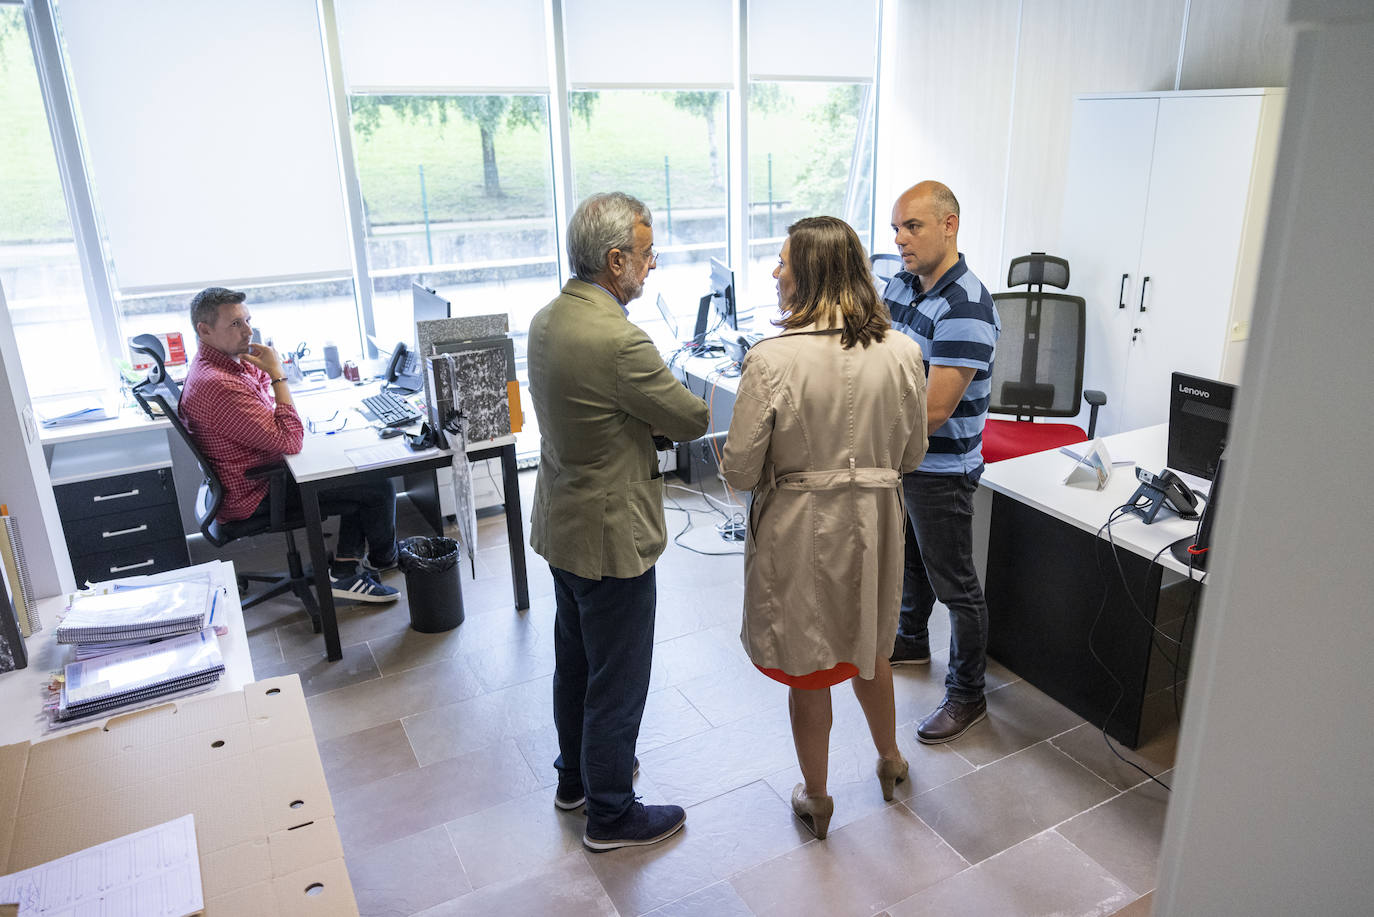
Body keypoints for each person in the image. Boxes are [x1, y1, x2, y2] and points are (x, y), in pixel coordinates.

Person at [720, 216, 928, 839]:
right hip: (878, 523)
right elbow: (912, 454)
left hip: (801, 527)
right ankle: (890, 760)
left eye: (783, 262)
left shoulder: (772, 359)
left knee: (810, 665)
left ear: (809, 274)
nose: (774, 272)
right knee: (870, 644)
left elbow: (737, 467)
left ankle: (817, 798)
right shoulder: (903, 351)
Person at [528, 192, 709, 852]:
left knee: (575, 663)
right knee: (618, 679)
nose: (652, 266)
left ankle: (573, 780)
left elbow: (598, 409)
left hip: (562, 524)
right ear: (614, 259)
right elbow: (690, 417)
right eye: (646, 253)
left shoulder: (549, 318)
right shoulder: (620, 339)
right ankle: (610, 812)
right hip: (610, 540)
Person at [179, 287, 399, 603]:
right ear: (204, 329)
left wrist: (270, 372)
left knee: (357, 477)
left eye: (248, 320)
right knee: (376, 486)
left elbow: (257, 385)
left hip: (252, 477)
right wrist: (280, 376)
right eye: (236, 324)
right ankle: (382, 560)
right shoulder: (216, 384)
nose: (248, 330)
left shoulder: (221, 363)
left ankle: (347, 566)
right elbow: (289, 439)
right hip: (257, 493)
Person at [884, 181, 1001, 744]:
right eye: (897, 228)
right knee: (911, 559)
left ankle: (967, 695)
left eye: (913, 227)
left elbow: (932, 410)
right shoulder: (903, 285)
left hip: (942, 466)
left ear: (949, 226)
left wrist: (864, 432)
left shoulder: (967, 306)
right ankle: (910, 639)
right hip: (905, 459)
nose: (901, 239)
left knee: (956, 584)